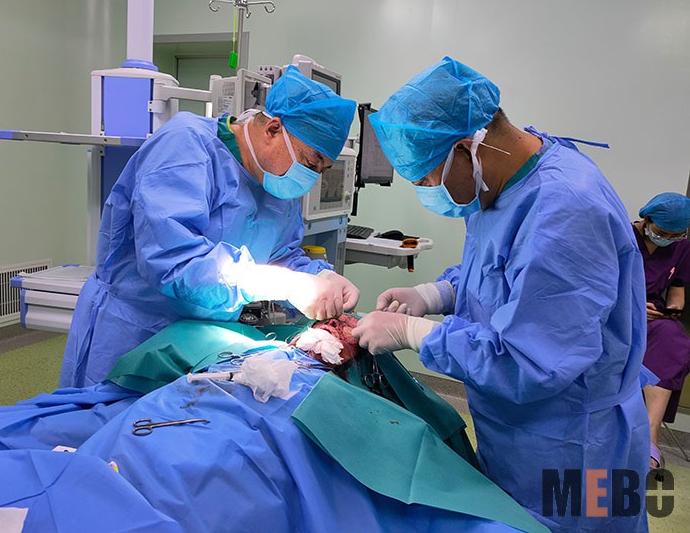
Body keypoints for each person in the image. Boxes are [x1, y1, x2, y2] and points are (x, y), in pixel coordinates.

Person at [352, 57, 650, 532]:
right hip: (521, 434)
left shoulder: (564, 210)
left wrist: (414, 333)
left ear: (465, 148)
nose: (428, 191)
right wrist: (435, 294)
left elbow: (531, 360)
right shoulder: (503, 181)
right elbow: (500, 274)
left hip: (574, 446)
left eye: (426, 178)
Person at [60, 66, 359, 388]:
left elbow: (280, 254)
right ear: (273, 129)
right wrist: (286, 284)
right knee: (112, 414)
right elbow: (174, 262)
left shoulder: (275, 182)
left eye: (321, 170)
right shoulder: (185, 146)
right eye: (310, 163)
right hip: (137, 328)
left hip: (204, 339)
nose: (311, 177)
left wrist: (319, 276)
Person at [632, 192, 690, 471]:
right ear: (647, 219)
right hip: (614, 315)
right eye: (662, 233)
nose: (668, 239)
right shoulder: (620, 236)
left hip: (653, 317)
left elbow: (677, 289)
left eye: (675, 235)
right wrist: (631, 306)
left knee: (674, 339)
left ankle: (649, 433)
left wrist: (673, 308)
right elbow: (596, 284)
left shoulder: (682, 247)